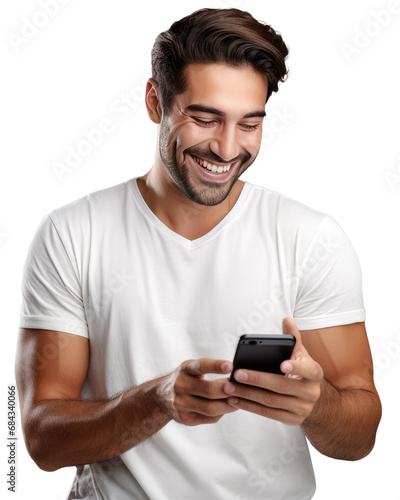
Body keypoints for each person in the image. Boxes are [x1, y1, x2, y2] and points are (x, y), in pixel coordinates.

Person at [15, 7, 381, 500]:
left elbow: (359, 438)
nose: (228, 148)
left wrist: (316, 404)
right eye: (206, 119)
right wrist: (156, 401)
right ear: (154, 101)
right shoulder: (72, 233)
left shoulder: (309, 238)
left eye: (249, 124)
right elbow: (41, 441)